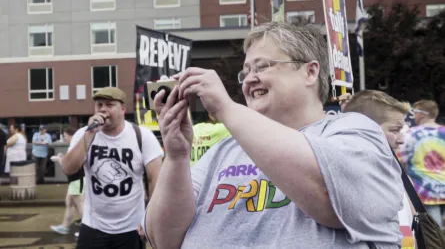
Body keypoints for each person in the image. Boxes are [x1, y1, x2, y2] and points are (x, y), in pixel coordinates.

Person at [143, 22, 404, 248]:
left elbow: (327, 197)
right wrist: (177, 157)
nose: (248, 80)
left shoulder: (355, 131)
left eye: (262, 67)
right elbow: (162, 239)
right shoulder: (223, 151)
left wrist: (226, 108)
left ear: (310, 72)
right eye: (245, 72)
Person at [61, 87, 163, 249]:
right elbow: (68, 168)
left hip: (131, 227)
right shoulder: (83, 134)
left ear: (122, 109)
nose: (103, 109)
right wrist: (89, 134)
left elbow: (155, 179)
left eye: (109, 105)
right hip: (93, 226)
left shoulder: (142, 136)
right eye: (99, 105)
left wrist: (150, 217)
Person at [342, 90, 416, 249]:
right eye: (395, 130)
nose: (402, 139)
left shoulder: (402, 179)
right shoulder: (341, 182)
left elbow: (411, 232)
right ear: (363, 128)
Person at [398, 100, 445, 230]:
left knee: (433, 232)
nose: (413, 116)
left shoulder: (411, 134)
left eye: (415, 112)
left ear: (422, 114)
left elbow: (400, 159)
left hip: (425, 190)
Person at [50, 127, 84, 237]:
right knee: (69, 202)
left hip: (76, 179)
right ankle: (64, 226)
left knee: (79, 205)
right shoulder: (74, 146)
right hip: (75, 180)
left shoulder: (74, 146)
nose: (64, 138)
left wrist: (59, 159)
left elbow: (70, 165)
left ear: (71, 136)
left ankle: (87, 230)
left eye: (65, 136)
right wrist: (62, 157)